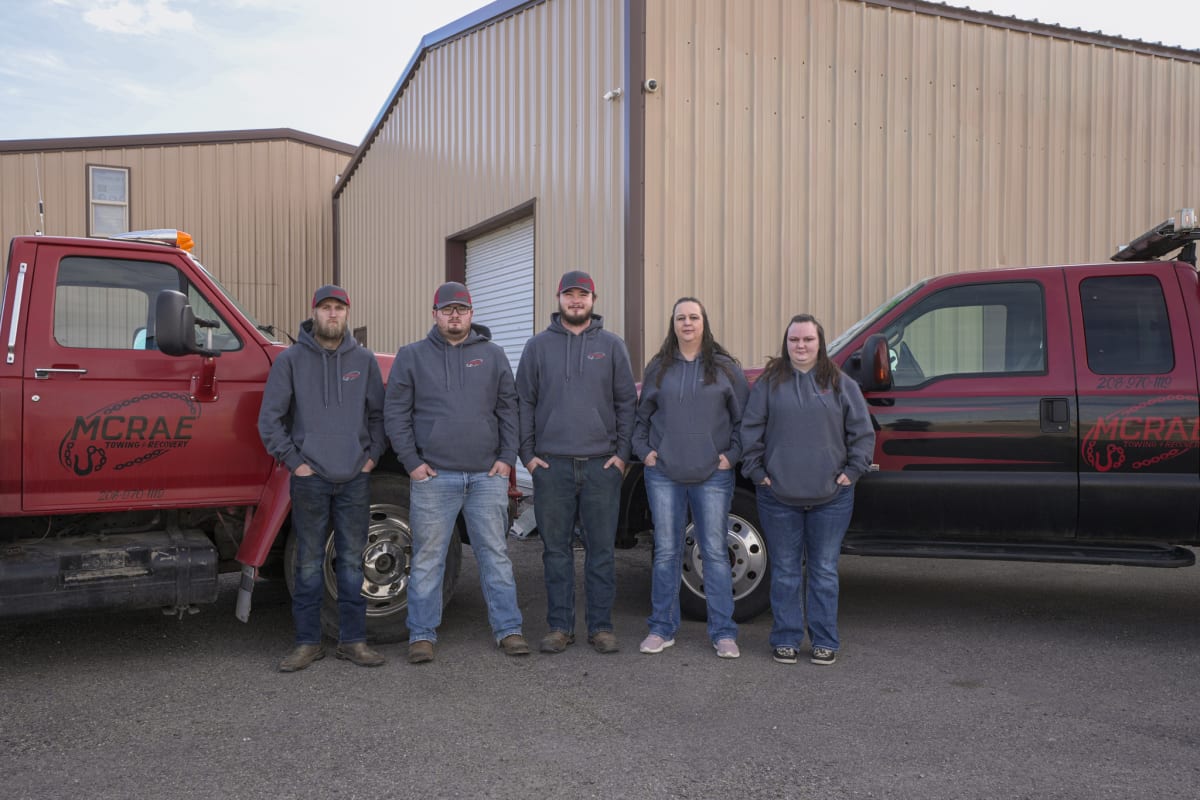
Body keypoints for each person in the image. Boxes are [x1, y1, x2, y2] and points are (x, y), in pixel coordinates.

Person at [385, 281, 529, 664]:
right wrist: (412, 464)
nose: (454, 315)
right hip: (435, 479)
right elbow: (395, 415)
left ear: (471, 314)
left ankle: (509, 630)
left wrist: (506, 459)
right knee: (429, 559)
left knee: (495, 555)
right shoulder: (411, 356)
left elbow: (508, 410)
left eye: (461, 309)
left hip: (486, 477)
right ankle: (421, 634)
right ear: (434, 314)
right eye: (447, 309)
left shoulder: (494, 356)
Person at [258, 284, 387, 672]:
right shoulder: (291, 361)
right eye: (326, 308)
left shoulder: (363, 361)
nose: (332, 314)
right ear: (314, 312)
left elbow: (379, 418)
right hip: (309, 477)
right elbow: (270, 421)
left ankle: (353, 641)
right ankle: (307, 643)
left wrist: (371, 458)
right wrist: (295, 462)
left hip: (354, 478)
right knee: (309, 563)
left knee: (350, 562)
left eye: (339, 308)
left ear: (347, 314)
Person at [740, 313, 875, 666]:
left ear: (820, 343)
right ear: (786, 344)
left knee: (824, 571)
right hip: (777, 497)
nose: (800, 346)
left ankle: (825, 640)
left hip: (832, 498)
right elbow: (750, 430)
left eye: (807, 340)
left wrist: (853, 471)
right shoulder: (770, 384)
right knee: (784, 570)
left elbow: (862, 433)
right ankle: (785, 637)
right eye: (794, 340)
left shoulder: (842, 384)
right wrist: (757, 472)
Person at [516, 270, 637, 654]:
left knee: (601, 550)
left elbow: (626, 405)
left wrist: (621, 456)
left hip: (602, 466)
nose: (575, 301)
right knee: (556, 551)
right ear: (559, 299)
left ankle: (600, 626)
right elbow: (524, 403)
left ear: (593, 300)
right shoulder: (537, 347)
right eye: (569, 294)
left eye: (582, 295)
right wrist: (529, 457)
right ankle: (559, 626)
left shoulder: (613, 346)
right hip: (552, 467)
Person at [632, 297, 750, 658]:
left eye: (693, 317)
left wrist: (731, 457)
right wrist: (645, 452)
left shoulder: (725, 368)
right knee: (666, 551)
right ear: (673, 324)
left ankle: (723, 632)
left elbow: (746, 420)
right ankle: (661, 628)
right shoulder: (659, 368)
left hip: (712, 476)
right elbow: (641, 418)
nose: (687, 323)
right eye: (680, 318)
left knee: (714, 552)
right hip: (663, 473)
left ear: (704, 323)